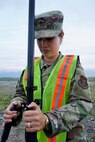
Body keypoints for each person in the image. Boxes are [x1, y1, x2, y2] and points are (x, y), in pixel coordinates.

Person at [3, 10, 92, 142]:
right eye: (39, 39)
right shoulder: (30, 66)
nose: (43, 44)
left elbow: (83, 104)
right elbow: (21, 93)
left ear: (61, 36)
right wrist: (15, 106)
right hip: (34, 137)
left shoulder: (73, 66)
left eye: (49, 38)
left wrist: (47, 120)